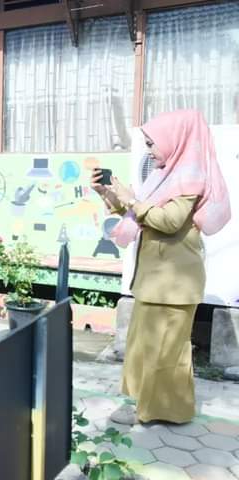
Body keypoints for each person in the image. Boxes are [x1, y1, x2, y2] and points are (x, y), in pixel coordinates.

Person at [91, 109, 231, 425]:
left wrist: (130, 201)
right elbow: (140, 210)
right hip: (154, 281)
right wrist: (108, 194)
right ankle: (142, 405)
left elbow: (168, 221)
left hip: (173, 285)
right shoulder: (166, 174)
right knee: (143, 348)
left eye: (153, 144)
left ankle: (158, 411)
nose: (151, 152)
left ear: (176, 139)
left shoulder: (189, 177)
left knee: (167, 353)